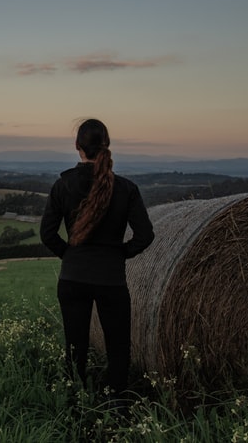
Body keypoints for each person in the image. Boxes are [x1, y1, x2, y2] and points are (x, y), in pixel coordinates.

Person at [40, 118, 154, 397]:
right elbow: (145, 235)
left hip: (73, 277)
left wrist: (69, 254)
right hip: (111, 279)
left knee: (74, 347)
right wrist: (120, 254)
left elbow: (47, 233)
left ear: (77, 146)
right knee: (118, 347)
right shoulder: (126, 188)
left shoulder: (63, 185)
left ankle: (74, 406)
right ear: (106, 146)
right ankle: (117, 407)